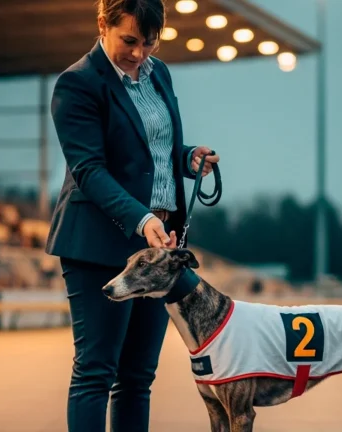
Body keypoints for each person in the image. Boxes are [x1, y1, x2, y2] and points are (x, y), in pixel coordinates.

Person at [44, 0, 220, 430]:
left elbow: (149, 150)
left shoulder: (159, 73)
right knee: (96, 373)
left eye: (149, 42)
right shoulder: (78, 83)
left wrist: (185, 157)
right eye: (129, 40)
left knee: (138, 377)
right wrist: (142, 219)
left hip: (159, 247)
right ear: (103, 23)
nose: (140, 53)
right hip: (99, 242)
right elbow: (90, 170)